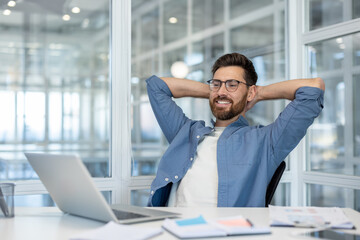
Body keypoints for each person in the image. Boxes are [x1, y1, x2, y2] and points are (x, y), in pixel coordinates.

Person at [145, 53, 325, 207]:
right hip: (171, 230)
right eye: (216, 84)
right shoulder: (185, 132)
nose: (222, 91)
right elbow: (156, 87)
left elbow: (313, 88)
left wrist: (259, 93)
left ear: (250, 92)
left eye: (232, 84)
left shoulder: (266, 141)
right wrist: (215, 91)